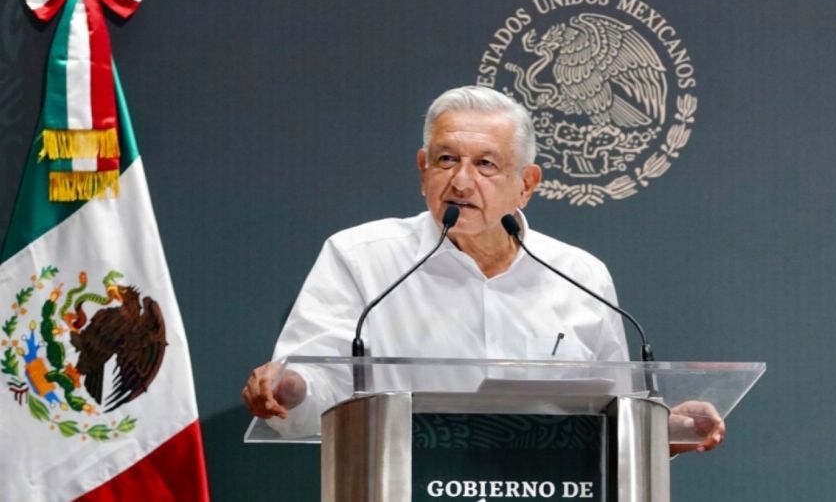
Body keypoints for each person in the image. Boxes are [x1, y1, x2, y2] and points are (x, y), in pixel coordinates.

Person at [242, 86, 724, 454]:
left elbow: (615, 416)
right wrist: (291, 387)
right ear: (422, 169)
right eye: (446, 160)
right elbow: (314, 392)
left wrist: (666, 430)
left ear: (526, 184)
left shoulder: (580, 275)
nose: (461, 181)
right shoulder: (361, 257)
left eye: (486, 164)